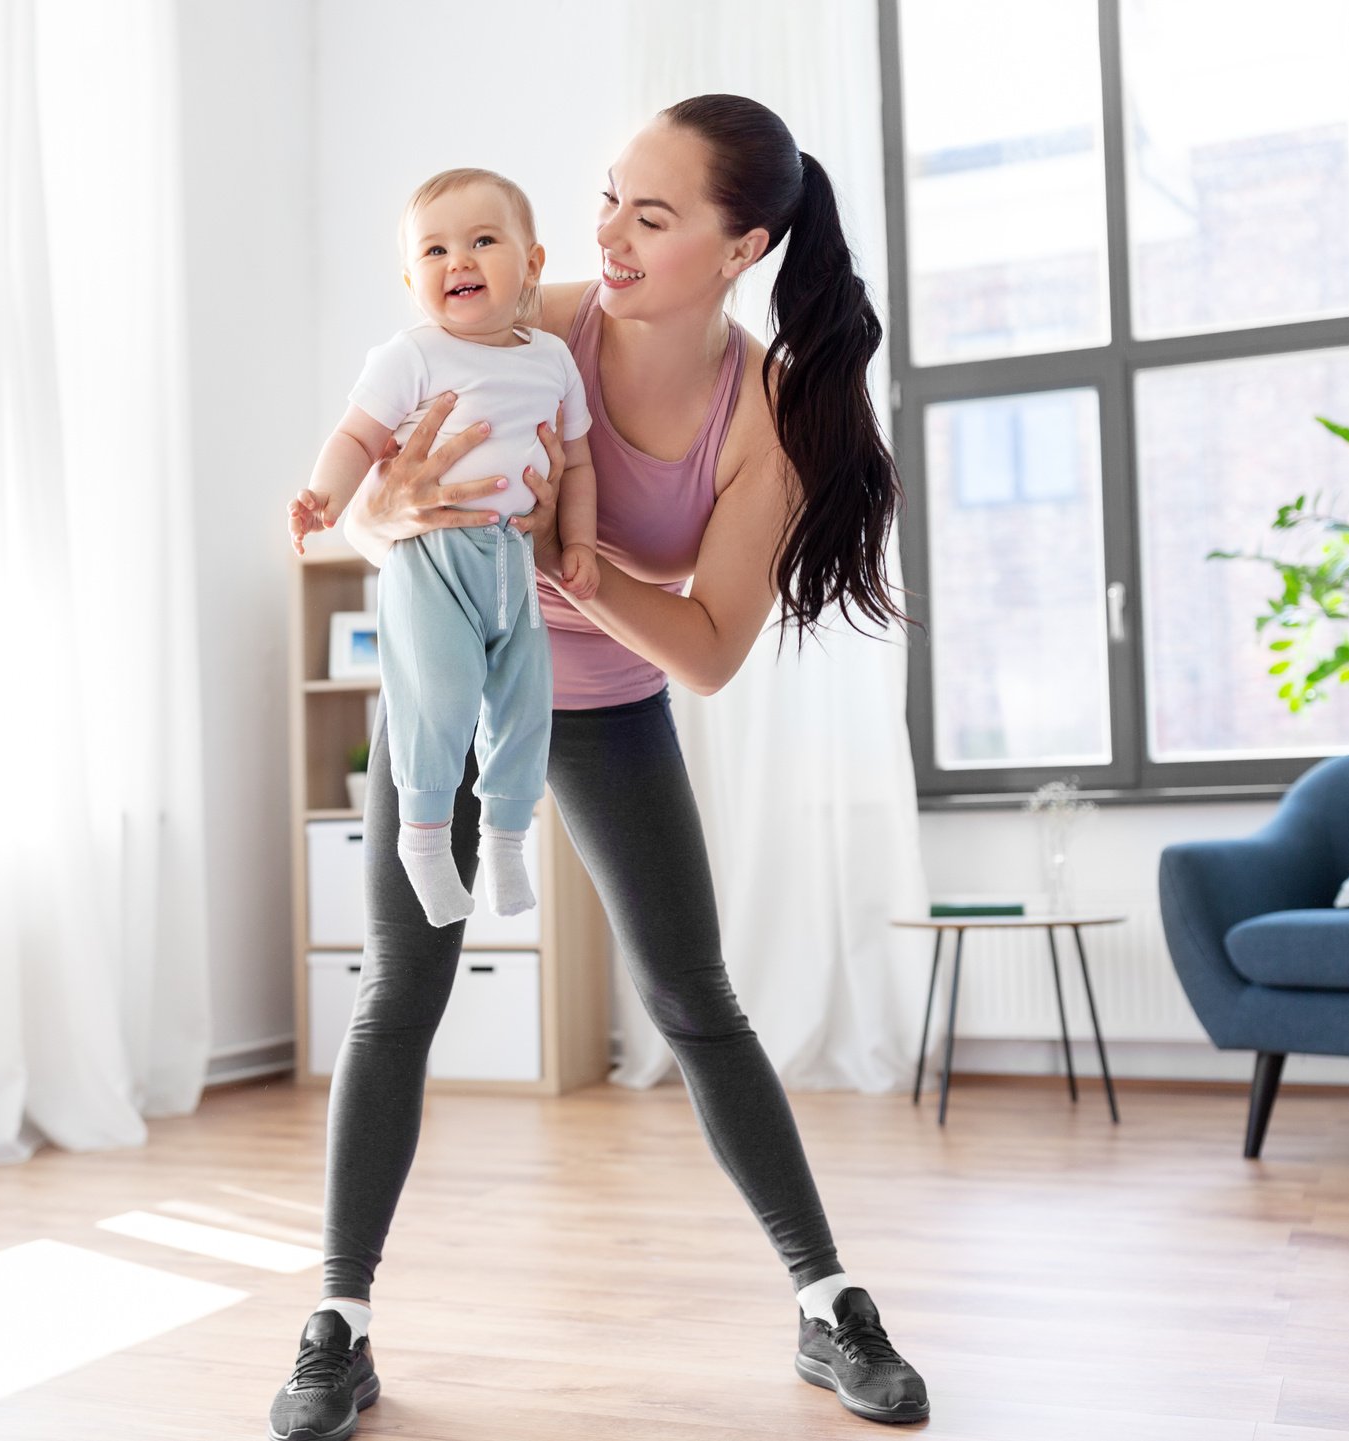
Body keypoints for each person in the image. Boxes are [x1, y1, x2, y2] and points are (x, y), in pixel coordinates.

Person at [268, 95, 926, 1441]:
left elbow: (710, 648)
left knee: (694, 998)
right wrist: (381, 518)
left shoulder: (767, 410)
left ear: (741, 248)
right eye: (610, 197)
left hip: (613, 703)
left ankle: (830, 1301)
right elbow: (354, 504)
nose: (609, 234)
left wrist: (583, 567)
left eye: (654, 213)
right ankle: (339, 1325)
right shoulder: (522, 313)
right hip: (445, 699)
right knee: (402, 986)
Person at [289, 167, 598, 928]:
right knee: (440, 702)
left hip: (513, 559)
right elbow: (357, 436)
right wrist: (322, 497)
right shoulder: (411, 355)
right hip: (432, 561)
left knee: (527, 708)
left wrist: (579, 542)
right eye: (433, 251)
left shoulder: (551, 359)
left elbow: (580, 461)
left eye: (482, 241)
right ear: (410, 278)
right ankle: (424, 843)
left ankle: (504, 839)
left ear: (531, 263)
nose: (457, 261)